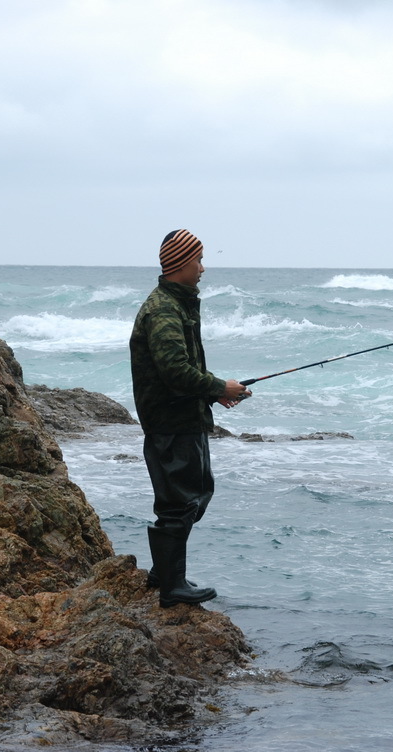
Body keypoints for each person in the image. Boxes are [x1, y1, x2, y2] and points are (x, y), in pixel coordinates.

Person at [129, 229, 250, 608]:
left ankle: (164, 572)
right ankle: (172, 587)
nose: (203, 268)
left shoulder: (177, 303)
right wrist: (218, 386)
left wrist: (214, 392)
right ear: (180, 264)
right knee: (179, 503)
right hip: (170, 423)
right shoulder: (164, 309)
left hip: (183, 418)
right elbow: (175, 371)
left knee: (196, 495)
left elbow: (180, 373)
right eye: (198, 260)